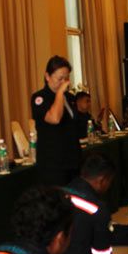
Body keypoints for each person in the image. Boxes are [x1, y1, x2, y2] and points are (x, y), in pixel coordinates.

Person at [31, 56, 82, 185]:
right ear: (47, 76)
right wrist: (59, 93)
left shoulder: (69, 97)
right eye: (60, 78)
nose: (64, 82)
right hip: (53, 163)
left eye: (66, 78)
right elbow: (54, 118)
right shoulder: (39, 98)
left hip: (73, 159)